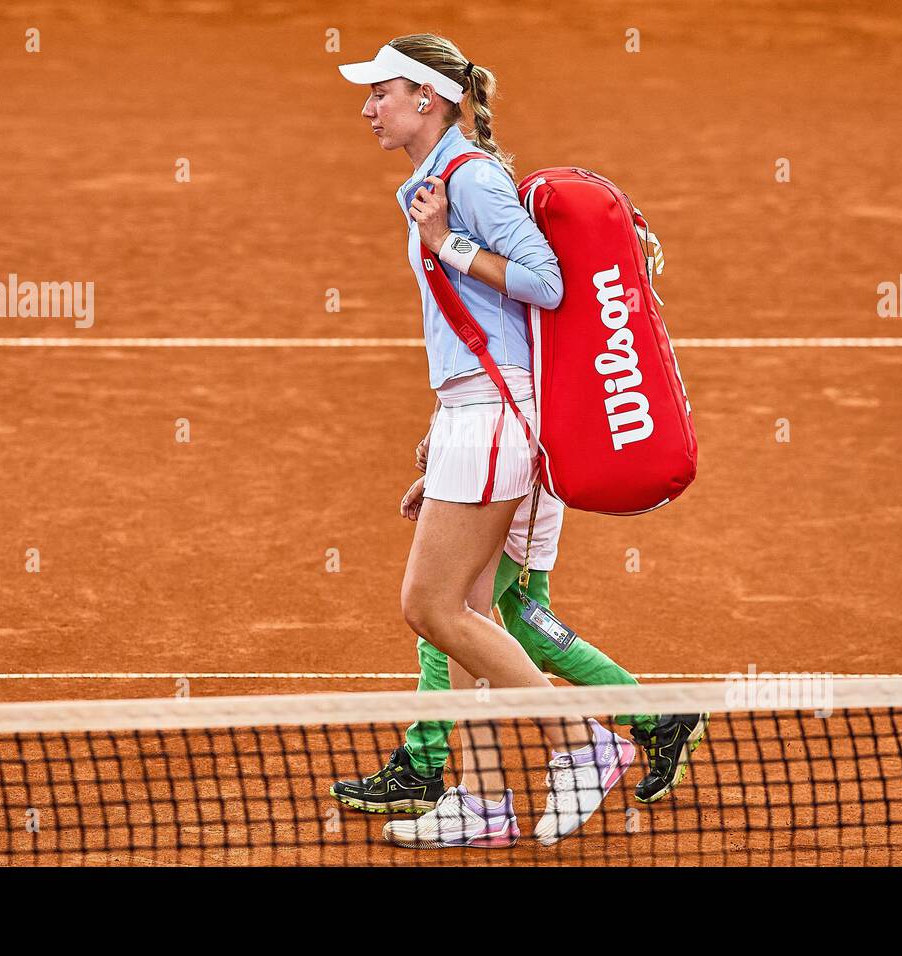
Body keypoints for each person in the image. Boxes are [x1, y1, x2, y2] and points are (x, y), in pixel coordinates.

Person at [338, 34, 634, 847]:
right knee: (467, 608)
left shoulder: (468, 181)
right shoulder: (437, 180)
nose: (368, 108)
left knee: (428, 606)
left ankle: (584, 740)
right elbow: (474, 331)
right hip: (475, 413)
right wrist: (441, 434)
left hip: (498, 419)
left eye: (381, 94)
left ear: (426, 100)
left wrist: (446, 245)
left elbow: (545, 282)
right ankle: (485, 799)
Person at [329, 470, 709, 827]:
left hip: (504, 507)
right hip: (518, 504)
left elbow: (516, 419)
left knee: (444, 630)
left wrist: (447, 475)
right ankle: (661, 718)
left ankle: (420, 767)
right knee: (533, 638)